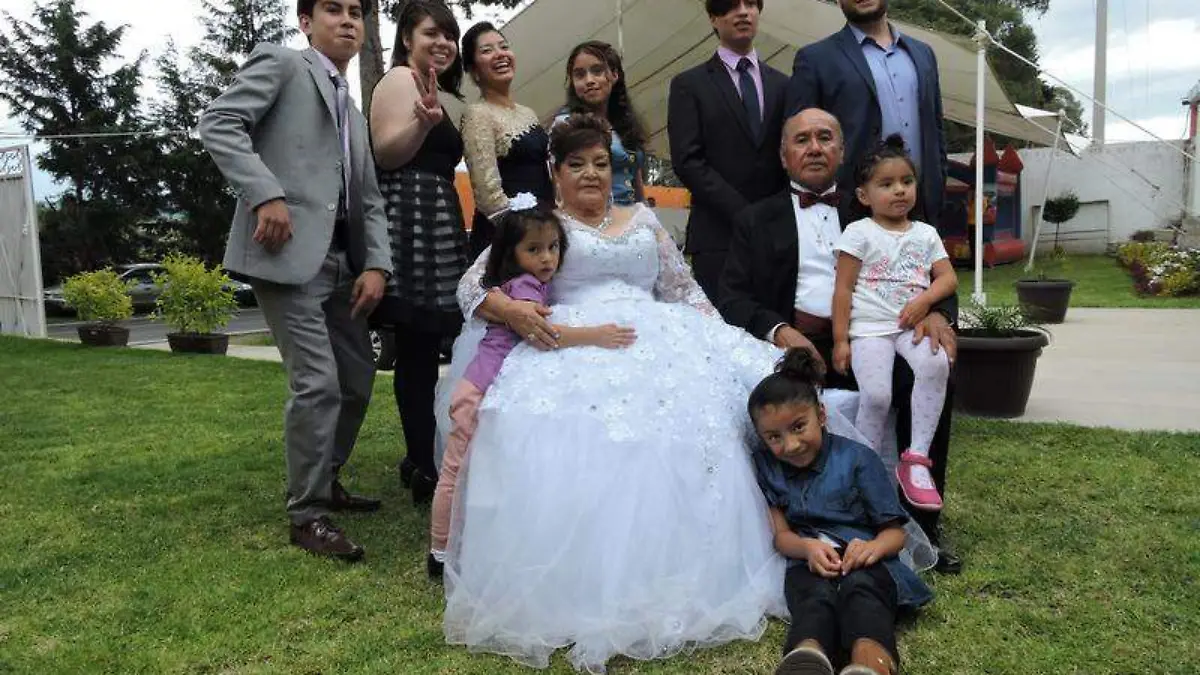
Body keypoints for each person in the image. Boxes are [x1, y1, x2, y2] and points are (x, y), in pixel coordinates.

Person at [437, 114, 866, 673]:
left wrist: (725, 342)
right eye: (576, 164)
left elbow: (684, 292)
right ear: (555, 170)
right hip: (571, 343)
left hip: (662, 336)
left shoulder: (643, 218)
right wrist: (511, 309)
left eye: (600, 163)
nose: (591, 174)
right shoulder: (539, 225)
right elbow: (472, 283)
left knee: (716, 414)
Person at [719, 108, 964, 574]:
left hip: (881, 332)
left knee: (931, 367)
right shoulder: (755, 218)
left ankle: (920, 527)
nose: (814, 147)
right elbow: (732, 296)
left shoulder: (881, 199)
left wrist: (937, 313)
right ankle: (806, 525)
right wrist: (780, 331)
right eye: (802, 139)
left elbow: (930, 266)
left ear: (842, 150)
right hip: (793, 345)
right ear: (783, 155)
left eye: (825, 137)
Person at [198, 0, 390, 561]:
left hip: (345, 263)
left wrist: (377, 264)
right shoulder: (282, 63)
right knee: (318, 383)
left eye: (356, 11)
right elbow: (218, 123)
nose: (348, 20)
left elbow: (368, 196)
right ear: (306, 23)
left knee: (357, 379)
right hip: (287, 256)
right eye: (333, 9)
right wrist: (266, 193)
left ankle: (326, 477)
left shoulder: (351, 108)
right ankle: (307, 514)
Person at [427, 194, 636, 579]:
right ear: (512, 253)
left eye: (553, 247)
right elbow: (547, 335)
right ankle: (439, 550)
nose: (547, 258)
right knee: (455, 471)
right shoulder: (524, 288)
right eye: (534, 249)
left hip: (484, 382)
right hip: (479, 388)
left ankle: (454, 543)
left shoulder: (532, 285)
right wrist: (596, 334)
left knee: (468, 470)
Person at [748, 349, 931, 675]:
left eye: (798, 427)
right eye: (774, 437)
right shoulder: (768, 467)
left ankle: (870, 662)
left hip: (867, 561)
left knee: (862, 592)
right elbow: (781, 536)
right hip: (809, 563)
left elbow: (895, 534)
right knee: (813, 598)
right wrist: (807, 548)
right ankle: (807, 657)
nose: (790, 445)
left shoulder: (859, 459)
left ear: (821, 415)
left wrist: (873, 548)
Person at [369, 0, 469, 505]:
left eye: (449, 35)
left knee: (428, 346)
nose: (443, 43)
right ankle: (422, 464)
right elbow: (385, 152)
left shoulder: (436, 91)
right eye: (432, 33)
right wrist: (423, 125)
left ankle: (419, 457)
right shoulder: (398, 80)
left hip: (437, 219)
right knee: (415, 346)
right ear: (407, 38)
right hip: (407, 220)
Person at [832, 136, 957, 511]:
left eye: (906, 181)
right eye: (886, 184)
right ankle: (865, 470)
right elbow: (843, 288)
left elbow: (948, 278)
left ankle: (916, 458)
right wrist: (841, 340)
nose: (899, 190)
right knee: (876, 396)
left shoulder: (926, 234)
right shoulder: (859, 232)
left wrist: (925, 301)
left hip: (910, 327)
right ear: (864, 195)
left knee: (936, 363)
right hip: (869, 330)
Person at [786, 0, 948, 227]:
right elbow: (797, 140)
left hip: (921, 207)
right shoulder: (816, 59)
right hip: (851, 210)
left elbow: (936, 129)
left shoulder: (924, 54)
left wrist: (938, 185)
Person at [668, 0, 788, 302]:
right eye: (732, 5)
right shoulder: (689, 85)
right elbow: (687, 160)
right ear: (713, 18)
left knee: (777, 326)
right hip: (717, 236)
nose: (743, 12)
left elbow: (791, 156)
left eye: (750, 4)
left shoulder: (784, 85)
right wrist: (744, 213)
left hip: (777, 235)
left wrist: (772, 215)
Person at [459, 21, 554, 259]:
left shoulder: (528, 113)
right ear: (473, 70)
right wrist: (523, 236)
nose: (500, 54)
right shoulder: (477, 114)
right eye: (487, 50)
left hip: (543, 233)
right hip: (507, 239)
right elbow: (488, 196)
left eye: (504, 46)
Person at [553, 41, 646, 207]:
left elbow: (636, 182)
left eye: (597, 71)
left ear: (615, 74)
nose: (589, 80)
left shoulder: (625, 122)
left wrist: (645, 215)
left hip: (633, 216)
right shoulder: (566, 124)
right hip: (592, 217)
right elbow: (558, 185)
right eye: (580, 75)